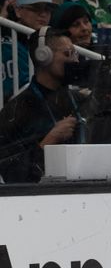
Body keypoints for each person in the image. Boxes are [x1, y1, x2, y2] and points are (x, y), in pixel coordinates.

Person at [0, 27, 84, 182]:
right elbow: (11, 174)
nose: (75, 60)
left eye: (76, 54)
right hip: (39, 199)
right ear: (43, 56)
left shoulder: (79, 100)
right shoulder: (15, 111)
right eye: (68, 54)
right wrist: (49, 140)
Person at [2, 0, 57, 100]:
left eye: (48, 9)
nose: (43, 14)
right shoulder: (6, 40)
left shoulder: (52, 42)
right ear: (18, 11)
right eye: (36, 8)